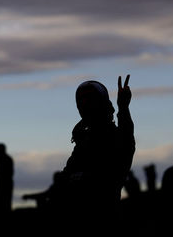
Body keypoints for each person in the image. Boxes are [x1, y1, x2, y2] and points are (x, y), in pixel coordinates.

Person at [52, 75, 135, 224]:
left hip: (104, 219)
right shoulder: (82, 142)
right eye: (82, 100)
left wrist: (123, 107)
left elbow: (125, 141)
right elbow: (65, 179)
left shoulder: (114, 136)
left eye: (90, 99)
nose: (85, 104)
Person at [0, 143, 14, 212]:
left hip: (4, 184)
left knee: (5, 203)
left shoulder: (6, 159)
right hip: (0, 184)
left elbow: (9, 173)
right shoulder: (1, 159)